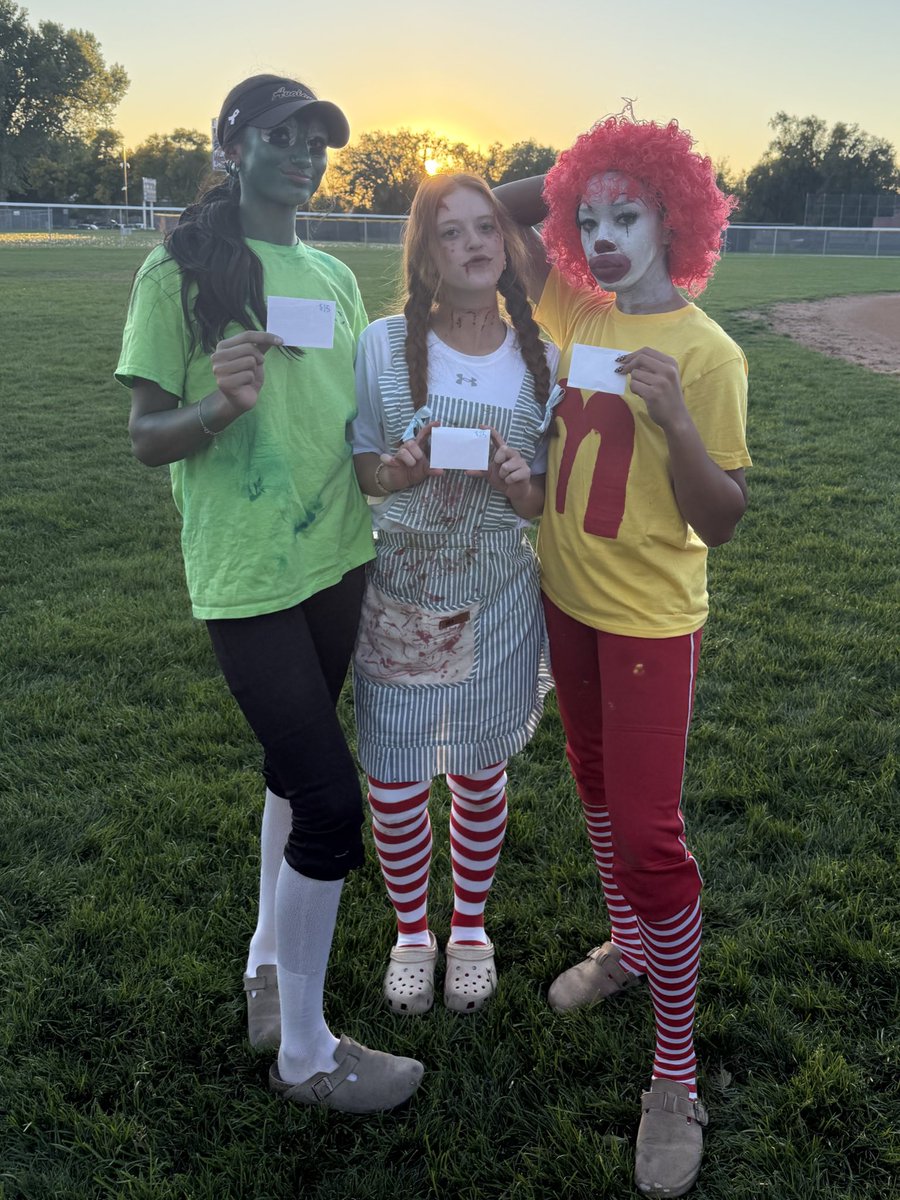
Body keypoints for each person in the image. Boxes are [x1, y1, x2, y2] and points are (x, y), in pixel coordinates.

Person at [115, 74, 423, 1113]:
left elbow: (348, 421)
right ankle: (305, 1055)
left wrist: (399, 460)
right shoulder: (179, 270)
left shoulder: (332, 274)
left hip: (339, 556)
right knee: (333, 806)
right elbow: (147, 437)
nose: (305, 154)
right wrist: (218, 404)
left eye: (317, 140)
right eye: (283, 136)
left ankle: (262, 963)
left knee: (291, 776)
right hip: (247, 575)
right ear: (234, 146)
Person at [495, 116, 751, 1196]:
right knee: (593, 786)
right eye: (587, 220)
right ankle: (629, 945)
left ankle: (675, 1069)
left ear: (674, 219)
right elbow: (498, 204)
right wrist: (568, 179)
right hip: (567, 599)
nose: (602, 237)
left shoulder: (710, 352)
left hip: (649, 620)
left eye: (627, 213)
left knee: (653, 835)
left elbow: (724, 516)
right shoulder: (569, 306)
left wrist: (678, 425)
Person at [351, 172, 557, 1016]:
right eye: (452, 232)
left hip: (500, 591)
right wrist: (395, 470)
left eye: (487, 228)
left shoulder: (541, 354)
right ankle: (411, 931)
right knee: (396, 779)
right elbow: (363, 464)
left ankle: (468, 928)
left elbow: (543, 498)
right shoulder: (380, 345)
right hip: (405, 589)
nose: (475, 243)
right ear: (426, 254)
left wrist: (517, 485)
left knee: (478, 770)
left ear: (508, 246)